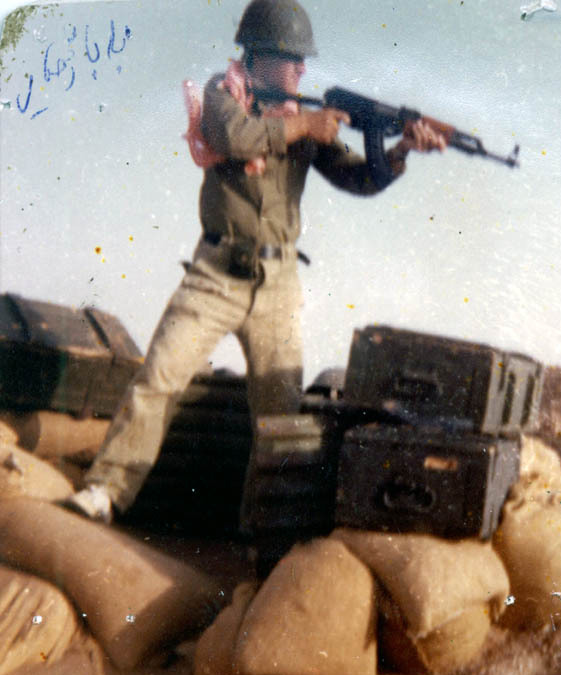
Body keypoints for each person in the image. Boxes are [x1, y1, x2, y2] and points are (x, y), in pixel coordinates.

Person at [66, 0, 446, 525]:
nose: (302, 70)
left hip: (278, 286)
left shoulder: (303, 120)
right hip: (215, 275)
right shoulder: (225, 95)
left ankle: (263, 528)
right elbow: (233, 137)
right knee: (158, 380)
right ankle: (105, 492)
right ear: (260, 56)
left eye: (304, 61)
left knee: (279, 416)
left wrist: (399, 150)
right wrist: (305, 124)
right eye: (293, 59)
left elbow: (358, 178)